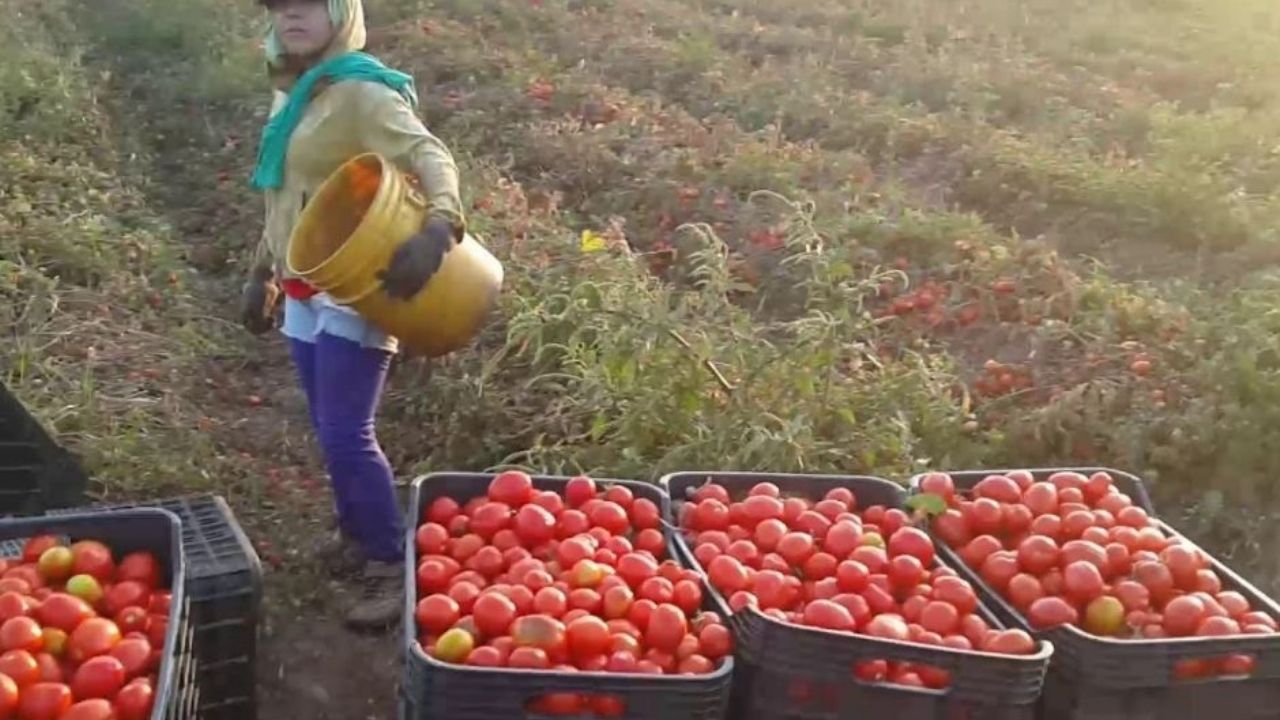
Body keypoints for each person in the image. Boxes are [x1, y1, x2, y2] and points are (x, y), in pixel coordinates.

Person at [238, 0, 466, 630]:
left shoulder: (362, 89)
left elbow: (430, 155)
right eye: (280, 7)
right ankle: (355, 533)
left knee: (346, 431)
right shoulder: (294, 94)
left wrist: (440, 227)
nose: (292, 16)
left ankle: (391, 564)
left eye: (309, 4)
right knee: (325, 423)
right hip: (304, 282)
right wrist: (264, 270)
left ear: (341, 13)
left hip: (358, 276)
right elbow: (283, 194)